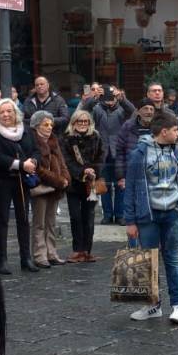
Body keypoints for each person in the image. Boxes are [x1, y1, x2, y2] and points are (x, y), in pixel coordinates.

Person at [124, 110, 178, 325]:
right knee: (148, 261)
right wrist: (130, 221)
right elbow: (131, 189)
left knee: (172, 260)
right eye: (175, 130)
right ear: (164, 132)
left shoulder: (177, 152)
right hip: (148, 215)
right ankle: (152, 305)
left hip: (171, 213)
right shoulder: (139, 154)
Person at [0, 97, 37, 275]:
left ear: (15, 112)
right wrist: (19, 164)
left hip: (23, 180)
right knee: (2, 220)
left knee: (24, 219)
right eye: (2, 112)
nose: (6, 114)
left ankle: (26, 258)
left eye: (9, 111)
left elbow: (36, 150)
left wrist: (34, 161)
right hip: (3, 180)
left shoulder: (26, 130)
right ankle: (2, 260)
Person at [61, 106, 103, 262]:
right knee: (75, 216)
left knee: (89, 217)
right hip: (74, 183)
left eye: (86, 121)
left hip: (90, 184)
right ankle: (77, 249)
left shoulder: (96, 137)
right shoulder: (66, 138)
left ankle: (87, 250)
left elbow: (101, 157)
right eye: (80, 121)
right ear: (74, 122)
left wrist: (94, 170)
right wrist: (82, 171)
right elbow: (67, 161)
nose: (83, 123)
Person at [29, 110, 70, 267]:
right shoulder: (32, 142)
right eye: (45, 124)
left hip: (55, 188)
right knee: (39, 223)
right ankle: (40, 255)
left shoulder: (54, 141)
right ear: (36, 125)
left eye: (51, 124)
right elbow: (38, 168)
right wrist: (59, 180)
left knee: (51, 222)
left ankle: (52, 253)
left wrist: (66, 178)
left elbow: (62, 162)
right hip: (41, 187)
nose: (49, 127)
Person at [92, 85, 134, 223]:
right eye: (107, 96)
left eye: (112, 96)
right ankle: (107, 214)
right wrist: (95, 98)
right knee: (104, 184)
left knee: (120, 184)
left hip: (119, 151)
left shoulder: (122, 109)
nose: (109, 99)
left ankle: (120, 215)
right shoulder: (98, 109)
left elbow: (133, 112)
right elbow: (83, 112)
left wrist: (122, 98)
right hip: (102, 151)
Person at [115, 96, 156, 191]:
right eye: (145, 108)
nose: (149, 112)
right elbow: (120, 152)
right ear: (138, 111)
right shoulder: (128, 126)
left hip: (153, 176)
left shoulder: (158, 128)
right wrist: (121, 176)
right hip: (131, 175)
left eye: (151, 109)